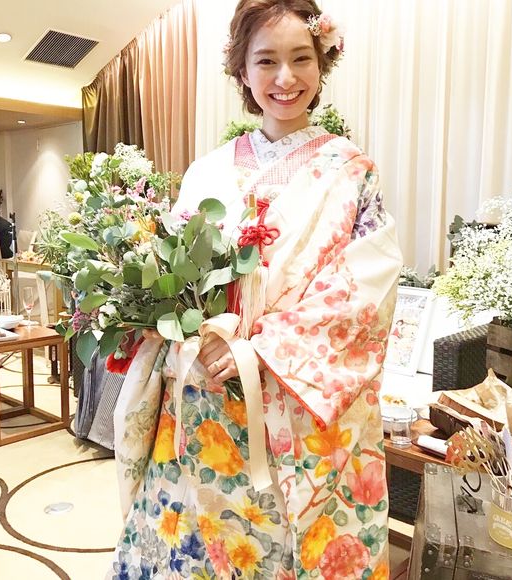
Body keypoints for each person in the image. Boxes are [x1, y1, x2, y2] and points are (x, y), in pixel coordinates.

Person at [109, 1, 402, 578]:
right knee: (197, 544)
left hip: (297, 398)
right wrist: (182, 325)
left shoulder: (350, 170)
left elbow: (367, 285)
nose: (285, 77)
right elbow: (174, 272)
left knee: (290, 546)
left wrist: (262, 347)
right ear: (242, 70)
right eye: (266, 61)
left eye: (301, 58)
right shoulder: (207, 170)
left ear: (322, 62)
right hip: (205, 393)